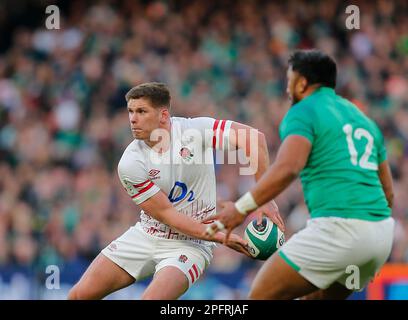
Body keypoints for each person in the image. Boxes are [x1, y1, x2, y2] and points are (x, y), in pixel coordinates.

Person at [205, 50, 395, 300]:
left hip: (339, 230)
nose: (287, 88)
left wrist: (240, 209)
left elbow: (288, 168)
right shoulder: (364, 121)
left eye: (289, 80)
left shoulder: (305, 110)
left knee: (259, 297)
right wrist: (369, 241)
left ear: (302, 83)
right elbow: (388, 193)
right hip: (380, 236)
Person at [68, 82, 284, 300]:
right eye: (131, 112)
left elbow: (254, 139)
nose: (133, 119)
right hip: (148, 234)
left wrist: (265, 198)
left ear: (163, 115)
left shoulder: (194, 131)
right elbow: (168, 216)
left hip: (190, 245)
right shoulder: (131, 162)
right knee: (78, 295)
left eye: (142, 111)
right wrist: (221, 237)